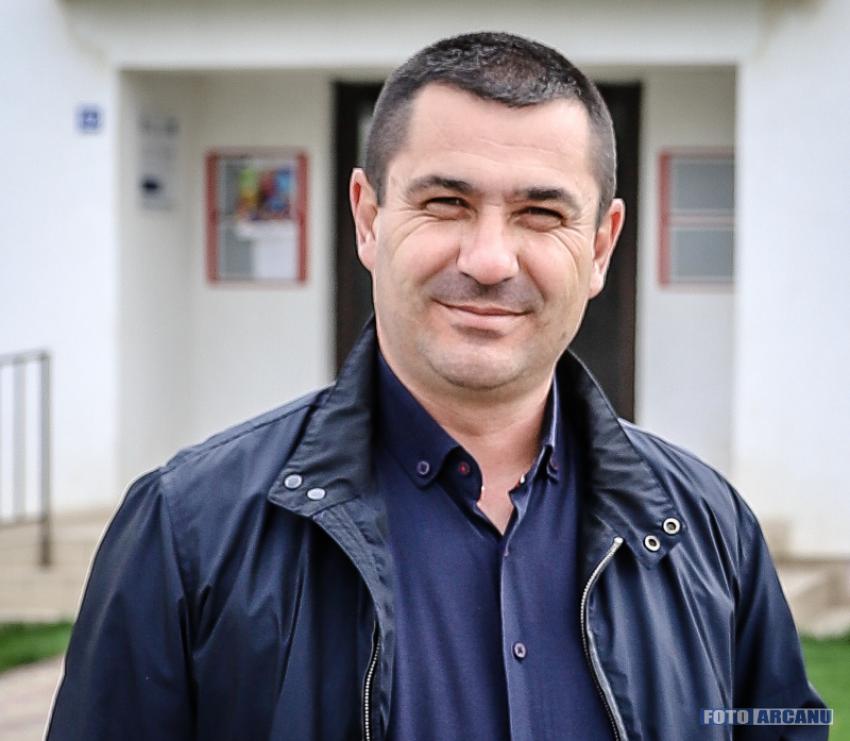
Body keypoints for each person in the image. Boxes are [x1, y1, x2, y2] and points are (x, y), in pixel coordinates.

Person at [49, 32, 826, 741]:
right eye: (446, 203)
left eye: (540, 213)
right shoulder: (188, 532)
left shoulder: (711, 531)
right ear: (368, 218)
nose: (489, 260)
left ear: (599, 246)